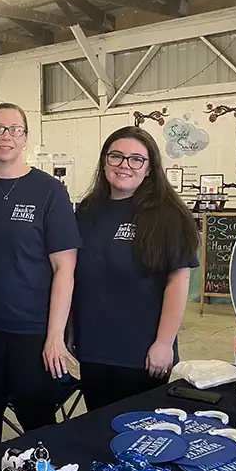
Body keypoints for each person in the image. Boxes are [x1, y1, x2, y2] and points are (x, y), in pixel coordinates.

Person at [0, 103, 81, 451]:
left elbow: (65, 268)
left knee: (37, 422)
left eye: (14, 129)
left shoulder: (49, 191)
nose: (6, 136)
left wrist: (55, 336)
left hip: (31, 331)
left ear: (26, 137)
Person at [72, 126, 199, 411]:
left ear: (150, 168)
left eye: (135, 159)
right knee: (100, 431)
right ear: (104, 161)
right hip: (93, 351)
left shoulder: (168, 215)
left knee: (142, 437)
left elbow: (178, 280)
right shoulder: (86, 211)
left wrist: (164, 343)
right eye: (116, 156)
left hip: (142, 355)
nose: (124, 165)